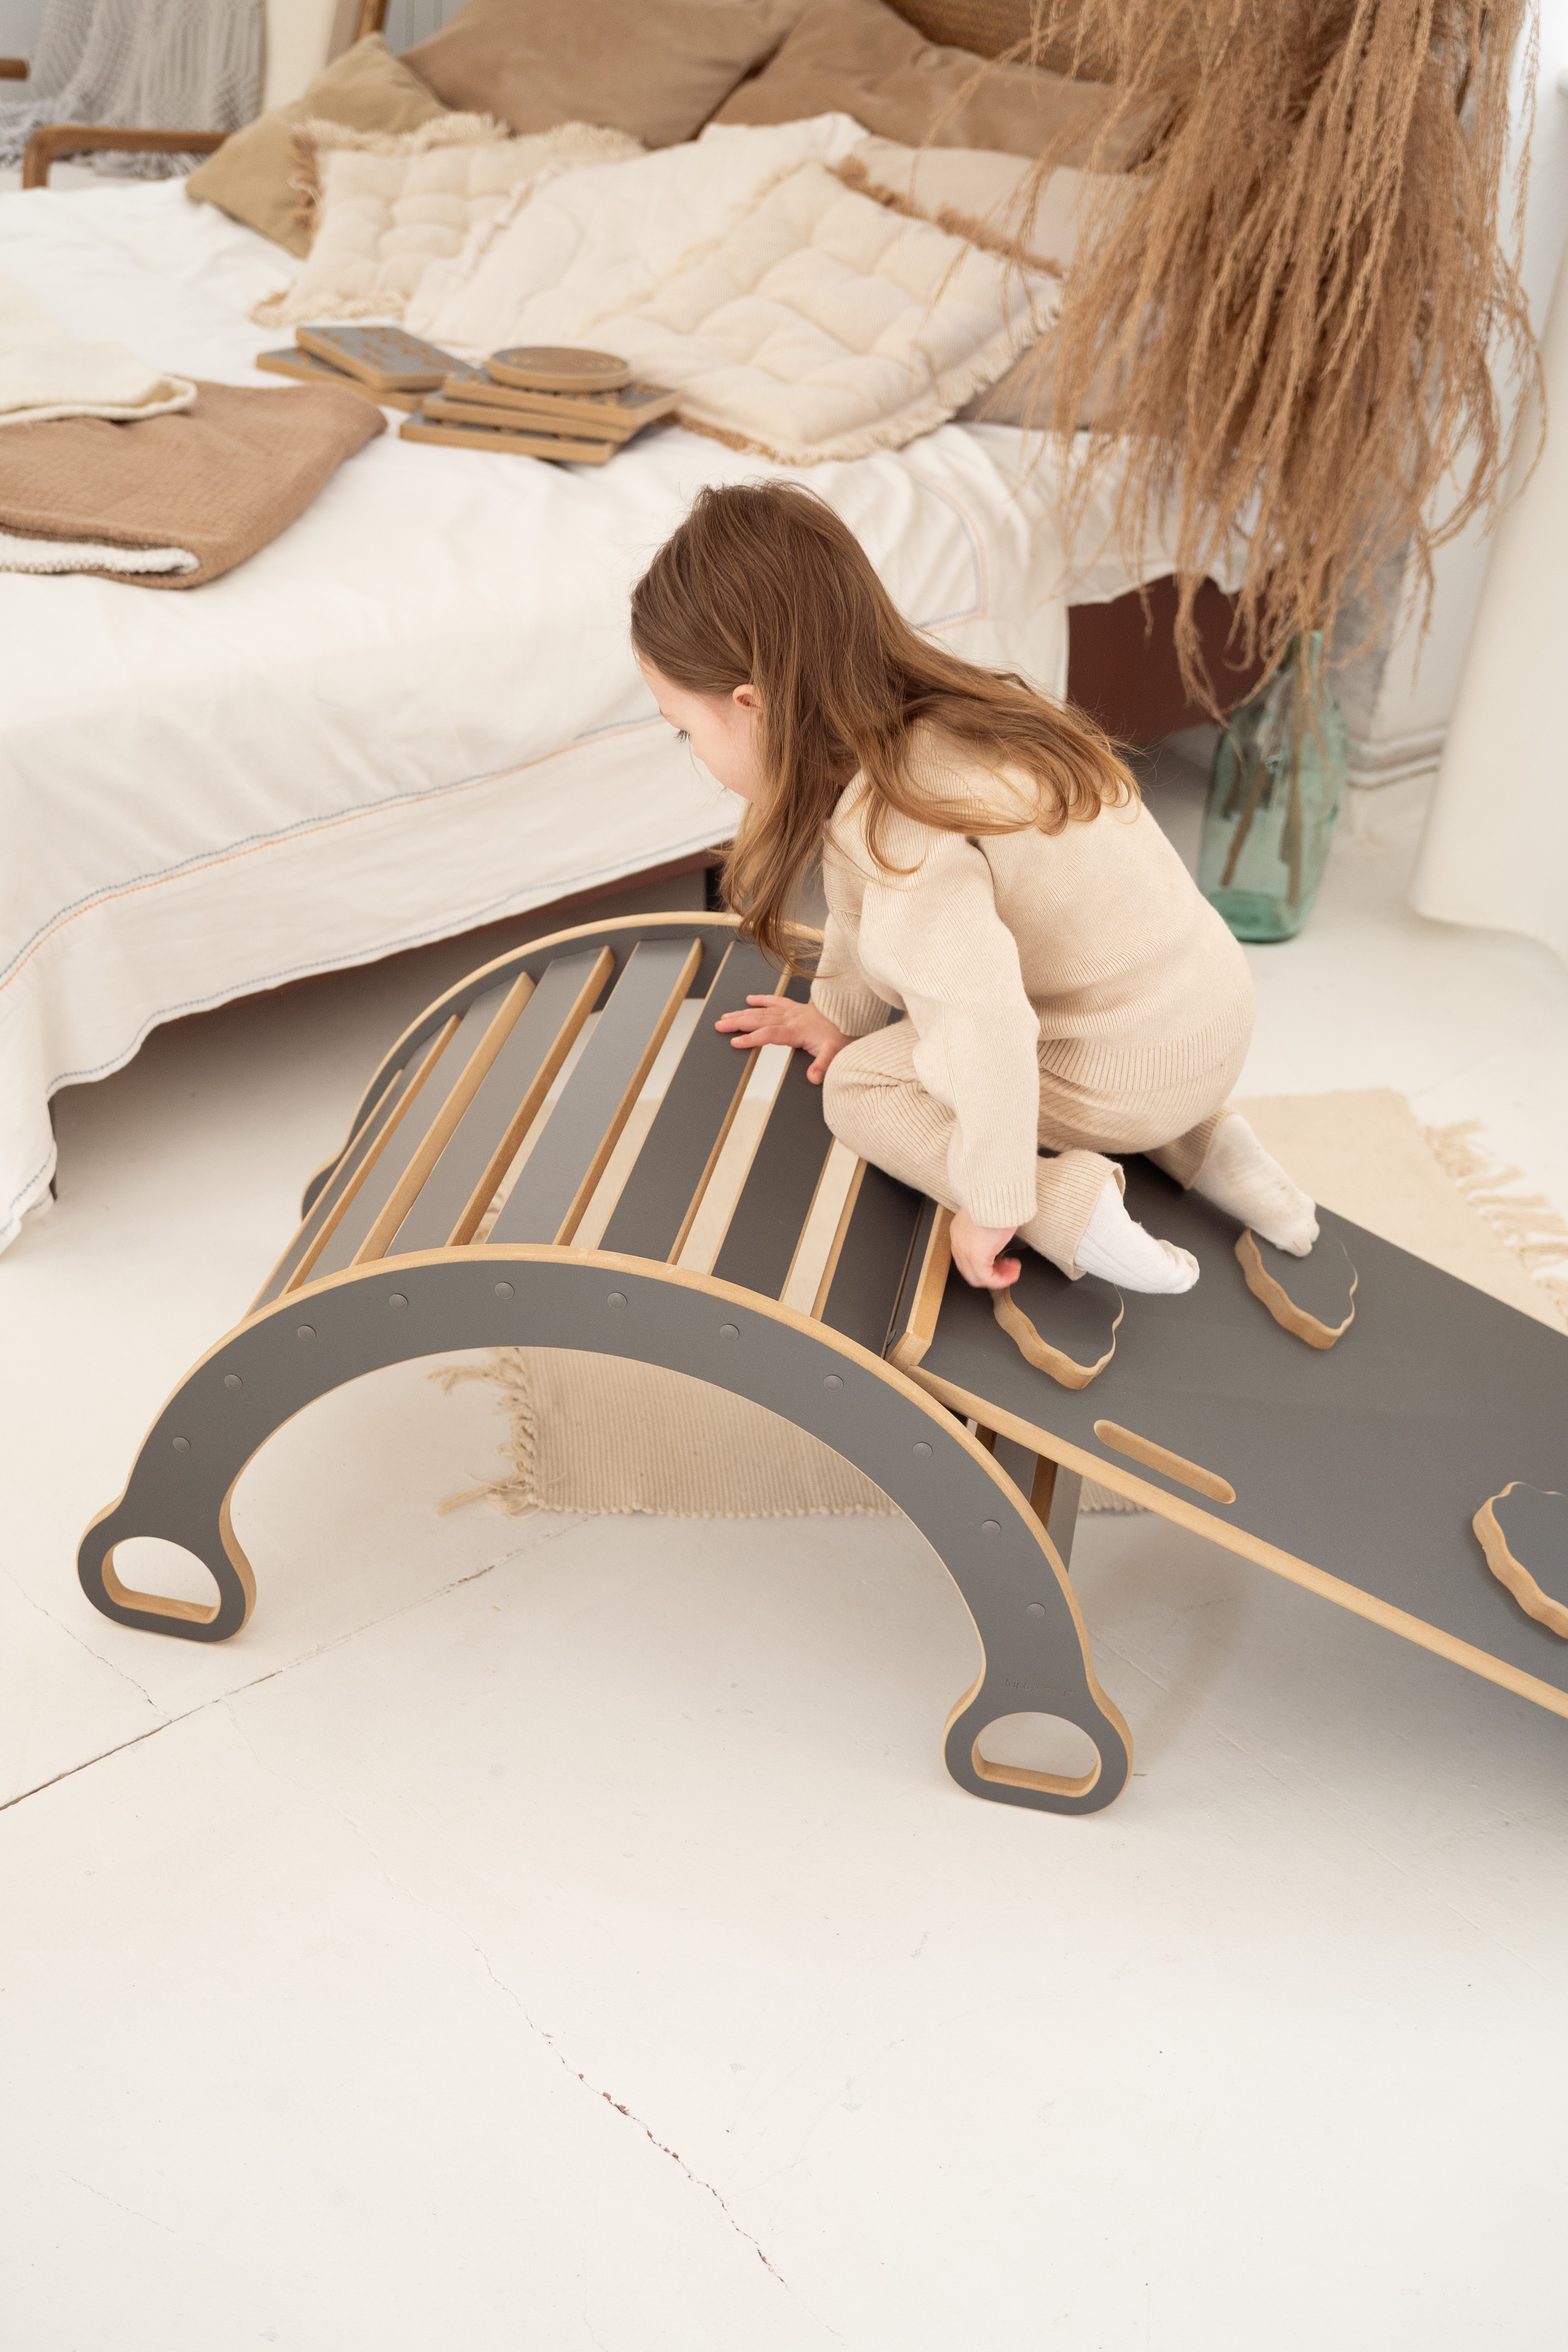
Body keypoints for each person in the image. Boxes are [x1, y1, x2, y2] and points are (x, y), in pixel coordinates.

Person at [630, 481, 1317, 1297]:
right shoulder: (957, 709)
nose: (695, 755)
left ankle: (1074, 1206)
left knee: (862, 1087)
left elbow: (981, 1019)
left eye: (686, 730)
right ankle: (1210, 1150)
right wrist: (838, 1015)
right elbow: (864, 908)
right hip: (1208, 1016)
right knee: (1066, 1015)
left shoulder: (901, 819)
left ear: (754, 707)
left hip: (1137, 1069)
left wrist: (995, 1200)